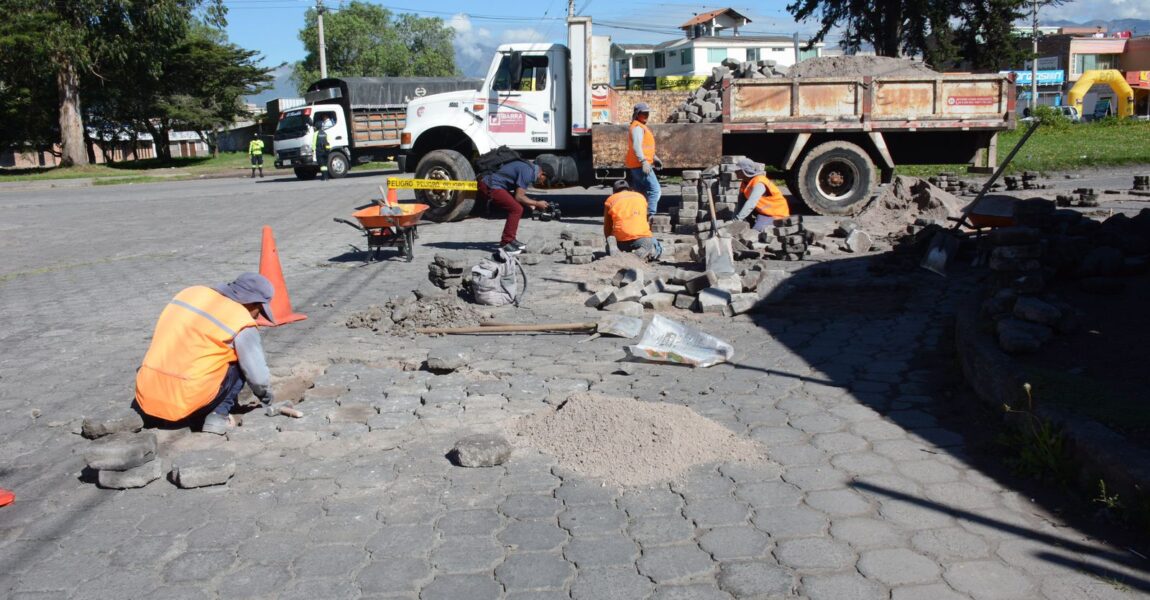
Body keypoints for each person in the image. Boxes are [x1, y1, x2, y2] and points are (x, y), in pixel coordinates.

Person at [134, 272, 286, 435]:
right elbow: (258, 377)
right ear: (252, 303)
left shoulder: (190, 293)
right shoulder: (241, 321)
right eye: (259, 310)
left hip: (147, 394)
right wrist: (267, 399)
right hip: (185, 400)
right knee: (240, 360)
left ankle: (157, 414)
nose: (257, 316)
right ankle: (218, 415)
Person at [477, 158, 553, 254]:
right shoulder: (528, 172)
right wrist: (537, 203)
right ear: (542, 174)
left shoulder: (529, 168)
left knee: (518, 207)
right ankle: (506, 243)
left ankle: (511, 239)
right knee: (516, 209)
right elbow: (519, 197)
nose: (542, 183)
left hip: (493, 184)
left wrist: (531, 204)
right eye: (544, 180)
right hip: (490, 185)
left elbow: (519, 195)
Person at [604, 180, 661, 261]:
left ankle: (615, 248)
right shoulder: (641, 197)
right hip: (641, 238)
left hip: (620, 240)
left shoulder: (610, 200)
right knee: (655, 246)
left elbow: (607, 226)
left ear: (614, 192)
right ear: (629, 189)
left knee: (611, 242)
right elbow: (646, 220)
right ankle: (643, 253)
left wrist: (608, 239)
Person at [624, 102, 662, 217]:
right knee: (655, 190)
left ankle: (639, 216)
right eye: (643, 113)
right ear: (637, 114)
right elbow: (637, 146)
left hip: (637, 165)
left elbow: (645, 146)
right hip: (641, 165)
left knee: (640, 193)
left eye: (647, 114)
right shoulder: (637, 128)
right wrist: (644, 161)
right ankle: (650, 216)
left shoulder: (640, 127)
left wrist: (655, 158)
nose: (646, 116)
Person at [732, 157, 789, 231]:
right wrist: (733, 220)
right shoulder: (745, 182)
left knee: (757, 231)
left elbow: (751, 203)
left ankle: (776, 224)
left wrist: (737, 220)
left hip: (776, 213)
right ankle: (755, 222)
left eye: (737, 170)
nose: (735, 172)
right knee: (746, 221)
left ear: (744, 171)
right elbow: (740, 203)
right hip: (763, 212)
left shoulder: (759, 182)